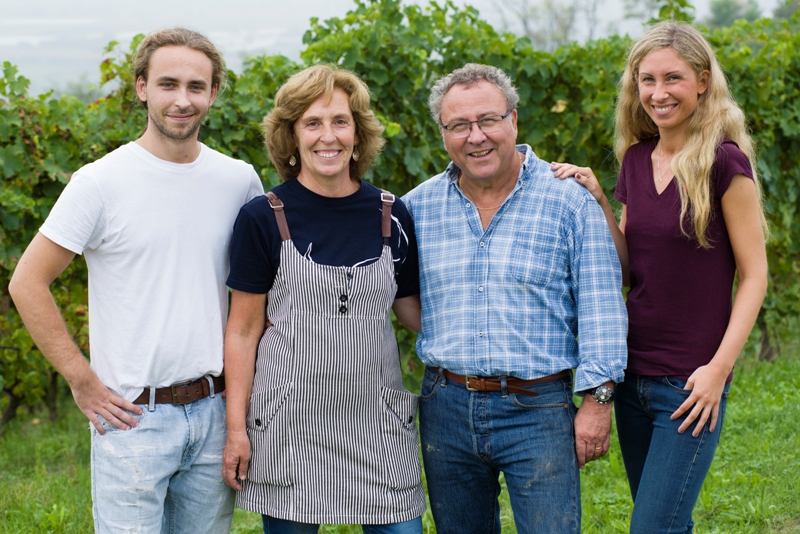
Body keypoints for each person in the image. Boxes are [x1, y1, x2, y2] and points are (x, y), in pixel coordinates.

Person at [8, 28, 264, 533]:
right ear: (142, 87)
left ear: (213, 94)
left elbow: (257, 299)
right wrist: (81, 381)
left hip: (215, 413)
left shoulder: (239, 180)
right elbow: (27, 282)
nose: (182, 100)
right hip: (132, 420)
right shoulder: (100, 183)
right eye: (168, 84)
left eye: (197, 86)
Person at [551, 21, 768, 534]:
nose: (658, 93)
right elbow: (628, 267)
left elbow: (755, 277)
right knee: (668, 523)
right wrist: (602, 202)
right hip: (633, 376)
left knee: (653, 526)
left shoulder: (724, 163)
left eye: (672, 78)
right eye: (647, 80)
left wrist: (718, 370)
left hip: (689, 383)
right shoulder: (635, 159)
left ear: (701, 80)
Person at [402, 63, 627, 534]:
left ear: (514, 121)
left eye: (488, 120)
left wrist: (598, 400)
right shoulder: (417, 208)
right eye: (459, 125)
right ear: (443, 133)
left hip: (538, 407)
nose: (476, 136)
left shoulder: (568, 199)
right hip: (445, 407)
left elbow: (602, 305)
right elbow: (401, 296)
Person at [221, 64, 425, 534]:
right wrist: (236, 430)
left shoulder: (392, 215)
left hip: (377, 422)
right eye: (312, 123)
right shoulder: (262, 218)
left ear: (358, 133)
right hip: (291, 424)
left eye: (339, 121)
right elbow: (243, 330)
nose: (327, 136)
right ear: (291, 137)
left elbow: (412, 311)